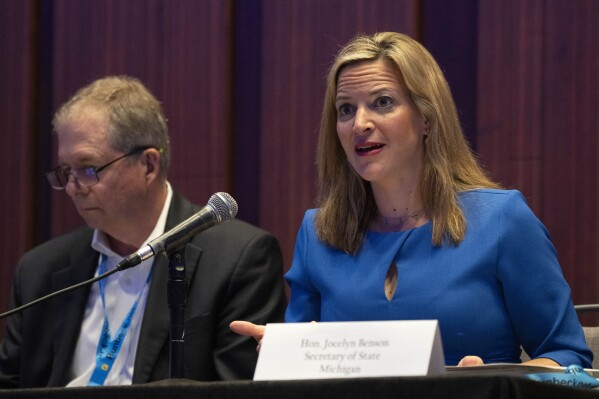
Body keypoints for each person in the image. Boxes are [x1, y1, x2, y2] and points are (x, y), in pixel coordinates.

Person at [231, 32, 593, 368]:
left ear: (427, 119)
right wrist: (285, 355)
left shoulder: (501, 221)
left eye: (382, 102)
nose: (360, 124)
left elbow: (568, 358)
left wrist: (492, 383)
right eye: (346, 109)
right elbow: (306, 368)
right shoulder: (318, 235)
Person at [0, 76, 287, 388]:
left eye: (87, 169)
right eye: (65, 171)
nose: (72, 188)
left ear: (148, 165)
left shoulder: (239, 260)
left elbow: (236, 391)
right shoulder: (39, 272)